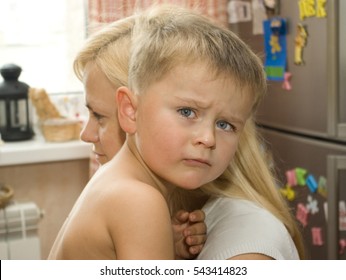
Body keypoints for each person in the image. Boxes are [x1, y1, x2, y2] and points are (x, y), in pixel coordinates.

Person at [50, 4, 304, 260]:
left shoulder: (115, 181)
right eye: (186, 112)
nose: (208, 138)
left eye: (225, 124)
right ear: (129, 110)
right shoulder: (139, 201)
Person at [48, 13, 206, 260]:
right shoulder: (137, 199)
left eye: (99, 116)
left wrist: (166, 247)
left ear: (132, 112)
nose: (85, 135)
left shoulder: (112, 183)